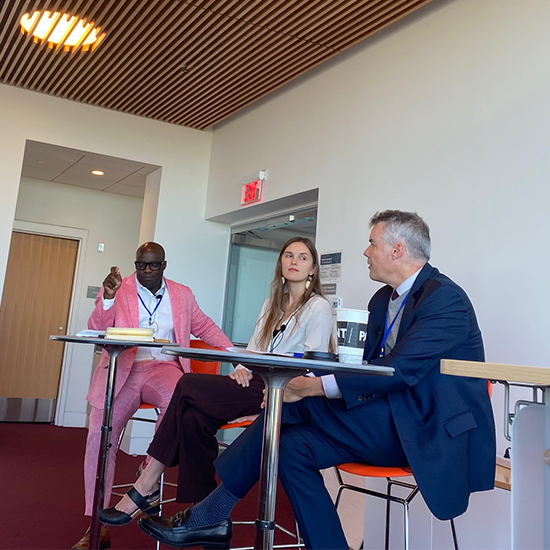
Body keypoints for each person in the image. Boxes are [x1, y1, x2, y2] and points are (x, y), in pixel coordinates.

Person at [137, 211, 496, 550]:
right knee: (291, 448)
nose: (366, 252)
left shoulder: (445, 299)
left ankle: (210, 515)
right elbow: (362, 366)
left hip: (425, 430)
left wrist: (309, 386)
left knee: (292, 405)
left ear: (397, 250)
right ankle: (224, 519)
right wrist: (311, 381)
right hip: (386, 418)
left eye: (372, 243)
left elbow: (398, 370)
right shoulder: (382, 300)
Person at [98, 236, 336, 531]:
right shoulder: (272, 303)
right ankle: (206, 515)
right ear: (281, 264)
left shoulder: (319, 307)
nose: (294, 262)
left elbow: (313, 366)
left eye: (302, 258)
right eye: (288, 255)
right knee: (193, 418)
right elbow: (253, 350)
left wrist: (268, 391)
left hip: (285, 391)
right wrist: (241, 368)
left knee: (186, 385)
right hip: (258, 380)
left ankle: (146, 483)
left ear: (313, 269)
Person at [73, 242, 233, 550]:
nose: (147, 271)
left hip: (164, 367)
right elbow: (97, 327)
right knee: (99, 434)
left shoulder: (182, 294)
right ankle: (98, 524)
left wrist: (237, 354)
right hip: (124, 367)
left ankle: (148, 469)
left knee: (180, 400)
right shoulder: (119, 289)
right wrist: (107, 298)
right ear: (135, 265)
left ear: (164, 265)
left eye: (153, 266)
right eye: (141, 266)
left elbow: (205, 327)